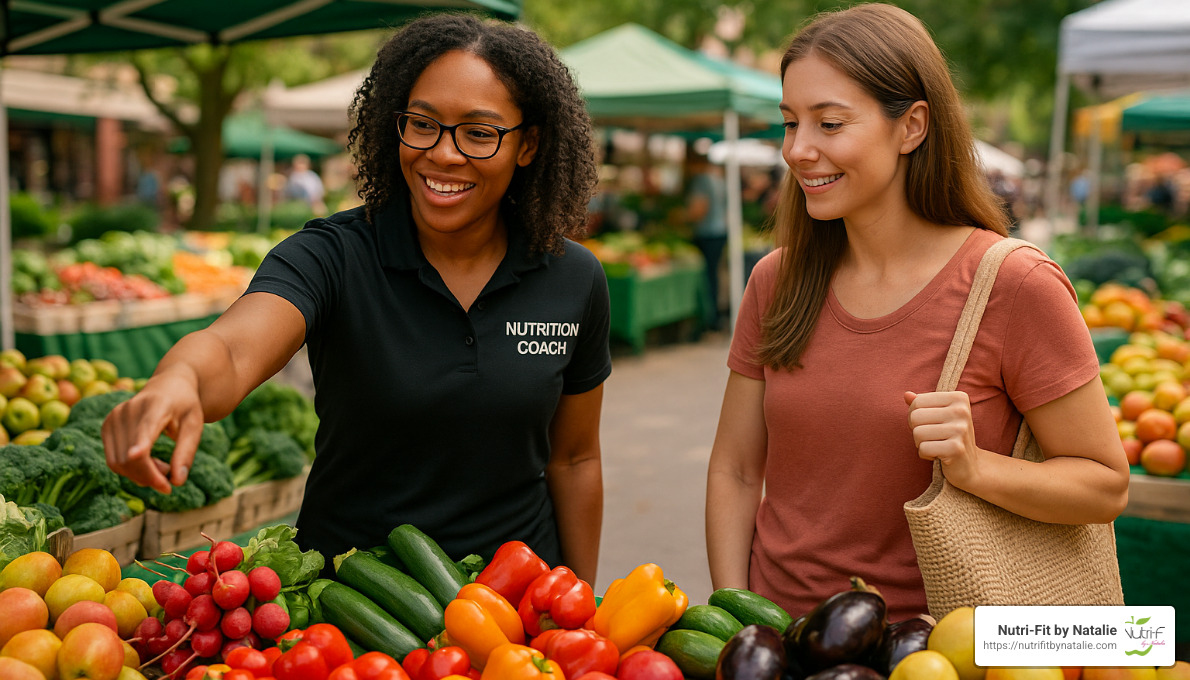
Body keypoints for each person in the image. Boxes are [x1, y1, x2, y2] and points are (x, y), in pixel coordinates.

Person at [103, 13, 610, 583]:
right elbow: (231, 349)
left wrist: (579, 604)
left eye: (478, 132)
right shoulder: (331, 257)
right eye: (422, 124)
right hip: (347, 612)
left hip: (517, 609)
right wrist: (177, 380)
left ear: (528, 145)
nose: (443, 154)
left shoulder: (574, 277)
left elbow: (574, 458)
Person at [704, 3, 1128, 622]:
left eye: (829, 123)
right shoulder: (776, 281)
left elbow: (1105, 484)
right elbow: (737, 469)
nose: (797, 150)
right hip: (782, 642)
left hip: (939, 648)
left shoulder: (1015, 283)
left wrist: (975, 467)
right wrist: (736, 618)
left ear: (912, 127)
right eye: (790, 123)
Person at [685, 153, 729, 329]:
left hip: (707, 233)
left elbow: (698, 209)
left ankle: (709, 318)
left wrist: (682, 217)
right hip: (720, 231)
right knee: (714, 274)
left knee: (707, 276)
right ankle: (715, 315)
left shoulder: (701, 180)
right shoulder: (718, 178)